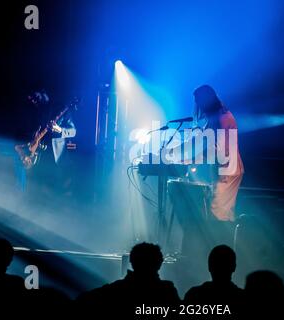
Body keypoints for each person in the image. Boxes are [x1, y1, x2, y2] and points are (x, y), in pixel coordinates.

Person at [77, 242, 180, 315]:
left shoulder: (116, 289)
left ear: (131, 261)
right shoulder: (167, 291)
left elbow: (83, 299)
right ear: (159, 263)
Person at [191, 85, 244, 222]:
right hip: (222, 169)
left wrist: (194, 158)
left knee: (219, 215)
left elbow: (218, 149)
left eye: (198, 102)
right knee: (216, 212)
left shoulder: (224, 118)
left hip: (228, 172)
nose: (198, 107)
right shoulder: (215, 117)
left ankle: (223, 241)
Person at [184, 245, 244, 312]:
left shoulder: (193, 295)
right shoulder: (243, 298)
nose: (221, 268)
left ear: (209, 267)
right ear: (234, 267)